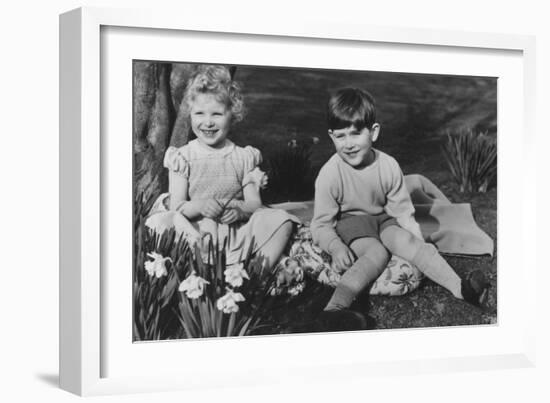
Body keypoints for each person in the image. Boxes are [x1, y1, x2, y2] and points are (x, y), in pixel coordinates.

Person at [309, 87, 489, 331]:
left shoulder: (388, 166)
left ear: (373, 132)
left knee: (407, 241)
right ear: (331, 137)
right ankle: (334, 310)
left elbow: (402, 210)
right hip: (352, 222)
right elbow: (321, 224)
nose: (348, 144)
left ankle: (461, 289)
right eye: (340, 136)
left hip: (383, 219)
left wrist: (415, 240)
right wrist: (336, 246)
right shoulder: (330, 174)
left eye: (355, 133)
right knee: (376, 253)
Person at [161, 65, 298, 268]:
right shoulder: (182, 157)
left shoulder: (243, 157)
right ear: (190, 114)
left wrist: (240, 211)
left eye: (216, 114)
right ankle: (197, 271)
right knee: (161, 223)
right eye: (200, 113)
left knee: (282, 220)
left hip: (234, 231)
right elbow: (178, 206)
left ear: (233, 114)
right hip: (197, 232)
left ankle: (256, 274)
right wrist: (200, 206)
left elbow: (254, 204)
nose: (207, 122)